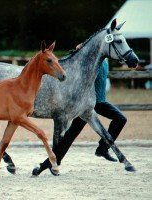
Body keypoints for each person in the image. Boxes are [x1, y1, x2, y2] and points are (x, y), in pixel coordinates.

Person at [33, 44, 127, 176]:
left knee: (120, 119)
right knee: (69, 136)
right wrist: (79, 51)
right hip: (86, 103)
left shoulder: (103, 59)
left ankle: (102, 149)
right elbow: (74, 67)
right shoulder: (90, 59)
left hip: (97, 102)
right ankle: (52, 163)